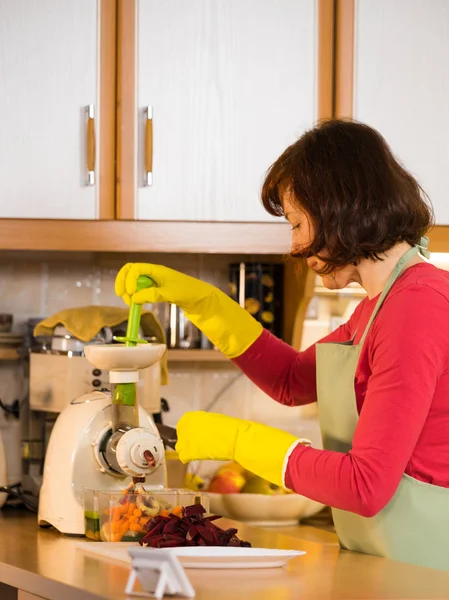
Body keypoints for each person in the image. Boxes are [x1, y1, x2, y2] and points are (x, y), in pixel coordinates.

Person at [115, 120, 449, 571]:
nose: (293, 244)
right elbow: (291, 380)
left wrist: (238, 440)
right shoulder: (380, 306)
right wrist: (201, 301)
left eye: (296, 223)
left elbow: (365, 486)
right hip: (393, 562)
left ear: (339, 208)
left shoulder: (416, 306)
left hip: (428, 569)